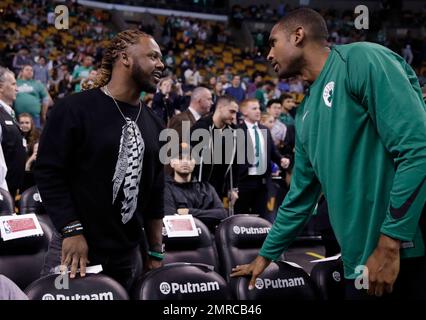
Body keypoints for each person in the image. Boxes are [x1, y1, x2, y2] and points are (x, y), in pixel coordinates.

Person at [231, 8, 426, 299]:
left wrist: (390, 242)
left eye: (272, 43)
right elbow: (300, 197)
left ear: (298, 36)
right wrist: (265, 256)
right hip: (358, 265)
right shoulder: (305, 111)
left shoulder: (361, 59)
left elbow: (418, 149)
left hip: (402, 257)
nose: (267, 54)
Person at [34, 29, 166, 292]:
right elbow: (49, 173)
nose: (161, 64)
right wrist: (72, 231)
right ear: (125, 58)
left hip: (129, 253)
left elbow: (155, 193)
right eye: (153, 56)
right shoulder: (74, 109)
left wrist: (155, 251)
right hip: (76, 247)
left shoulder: (155, 122)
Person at [235, 99, 290, 223]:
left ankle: (258, 242)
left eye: (259, 108)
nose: (258, 111)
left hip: (263, 181)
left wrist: (281, 159)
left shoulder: (264, 130)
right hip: (243, 180)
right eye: (254, 108)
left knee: (261, 218)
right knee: (241, 217)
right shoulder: (236, 131)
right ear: (244, 111)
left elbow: (272, 153)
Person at [164, 143, 227, 232]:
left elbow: (222, 214)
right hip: (179, 240)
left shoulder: (207, 188)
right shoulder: (165, 188)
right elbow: (171, 218)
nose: (185, 161)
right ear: (172, 163)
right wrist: (205, 216)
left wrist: (189, 212)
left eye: (190, 158)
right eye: (180, 158)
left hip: (208, 240)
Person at [191, 95, 239, 205]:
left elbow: (235, 163)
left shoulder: (234, 131)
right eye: (231, 111)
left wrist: (234, 188)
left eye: (235, 113)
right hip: (198, 187)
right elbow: (193, 161)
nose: (234, 116)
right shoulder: (201, 127)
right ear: (220, 107)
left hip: (219, 189)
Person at [0, 66, 27, 198]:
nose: (17, 88)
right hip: (3, 192)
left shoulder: (9, 113)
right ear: (1, 88)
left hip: (12, 189)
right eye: (13, 84)